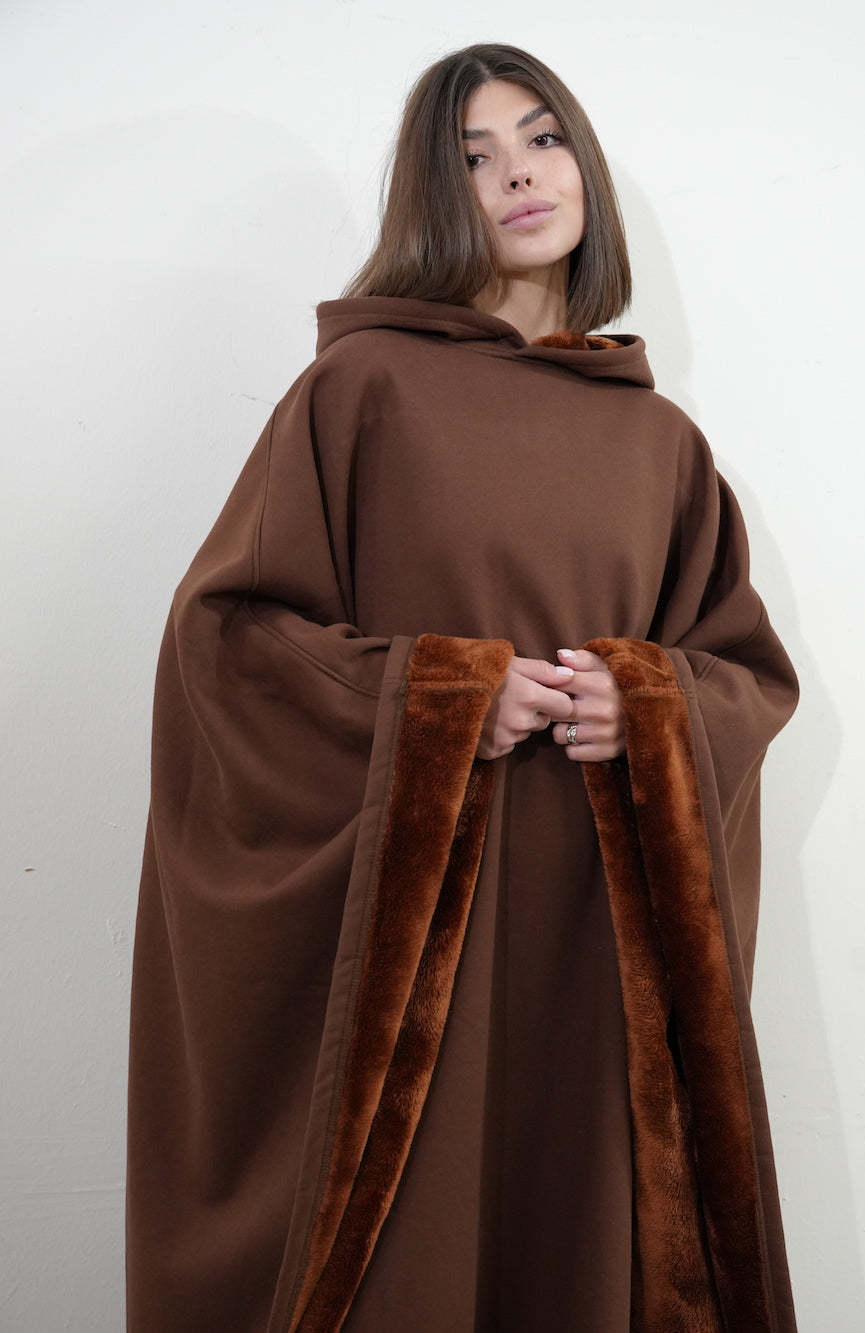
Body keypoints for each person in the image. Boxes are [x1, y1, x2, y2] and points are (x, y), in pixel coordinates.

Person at [125, 41, 801, 1333]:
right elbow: (229, 642)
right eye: (475, 157)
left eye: (543, 139)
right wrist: (435, 699)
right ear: (438, 199)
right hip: (423, 941)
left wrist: (651, 702)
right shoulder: (359, 391)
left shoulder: (660, 441)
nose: (520, 175)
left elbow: (745, 672)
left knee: (574, 1233)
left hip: (590, 945)